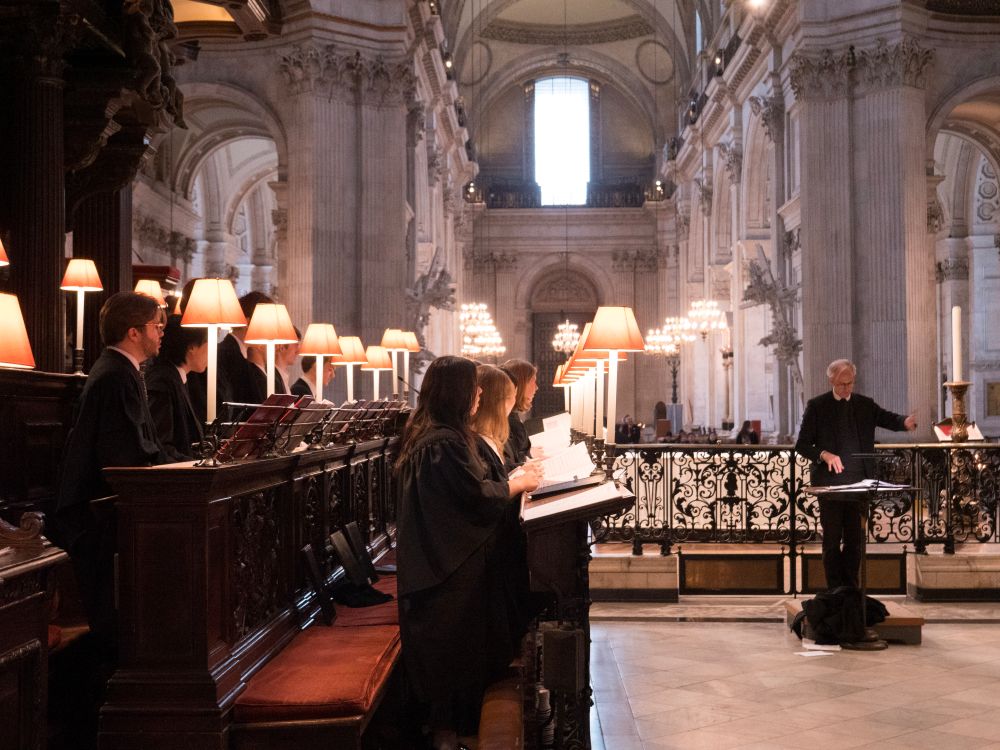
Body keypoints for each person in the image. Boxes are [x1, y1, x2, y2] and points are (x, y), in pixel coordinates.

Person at [395, 356, 541, 750]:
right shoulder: (442, 443)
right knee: (457, 660)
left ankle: (462, 726)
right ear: (456, 392)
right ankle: (454, 732)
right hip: (442, 578)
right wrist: (514, 486)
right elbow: (475, 498)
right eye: (472, 387)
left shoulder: (443, 436)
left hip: (443, 566)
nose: (479, 393)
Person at [52, 291, 170, 654]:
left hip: (105, 516)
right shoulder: (115, 377)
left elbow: (143, 446)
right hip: (96, 521)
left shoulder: (124, 372)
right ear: (133, 333)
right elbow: (126, 458)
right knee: (113, 625)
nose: (162, 332)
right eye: (156, 326)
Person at [795, 359, 916, 589]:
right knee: (831, 544)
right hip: (831, 488)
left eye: (850, 383)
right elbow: (802, 444)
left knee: (855, 543)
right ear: (831, 380)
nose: (846, 388)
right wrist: (824, 455)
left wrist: (905, 422)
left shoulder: (864, 404)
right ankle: (834, 592)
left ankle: (851, 592)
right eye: (841, 384)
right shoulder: (817, 406)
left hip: (860, 487)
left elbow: (886, 418)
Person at [472, 364, 536, 651]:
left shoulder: (487, 441)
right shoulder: (473, 443)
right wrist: (519, 482)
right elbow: (480, 495)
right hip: (487, 554)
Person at [146, 315, 208, 461]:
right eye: (207, 343)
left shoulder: (176, 377)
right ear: (191, 346)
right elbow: (162, 445)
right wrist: (197, 465)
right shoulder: (162, 381)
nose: (211, 352)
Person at [499, 358, 538, 470]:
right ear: (521, 385)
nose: (536, 387)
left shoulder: (512, 417)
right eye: (533, 382)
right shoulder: (507, 421)